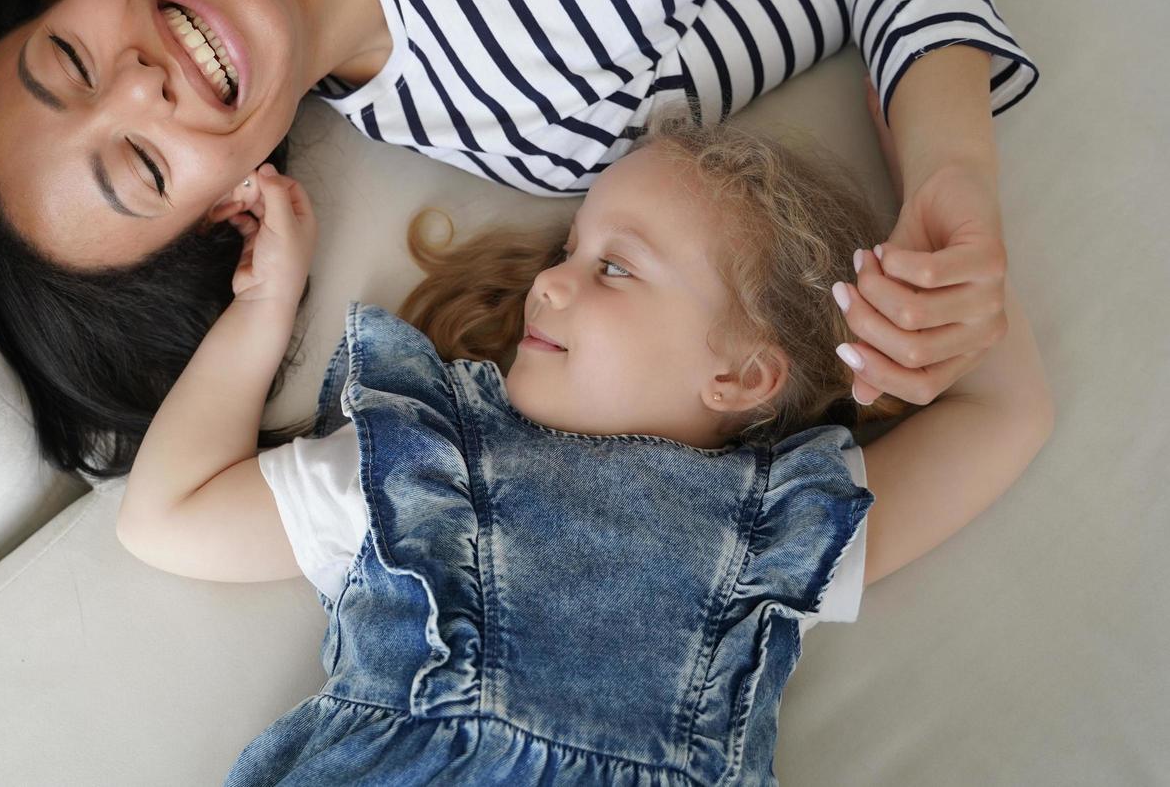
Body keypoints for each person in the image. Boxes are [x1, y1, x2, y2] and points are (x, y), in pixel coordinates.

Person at [0, 0, 1038, 477]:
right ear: (232, 209)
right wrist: (955, 184)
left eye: (65, 60)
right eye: (139, 168)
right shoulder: (548, 118)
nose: (140, 80)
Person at [114, 96, 1054, 785]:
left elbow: (1002, 417)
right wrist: (265, 304)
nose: (550, 284)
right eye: (570, 250)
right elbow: (167, 517)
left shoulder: (780, 530)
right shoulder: (422, 464)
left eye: (613, 267)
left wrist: (948, 227)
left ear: (738, 376)